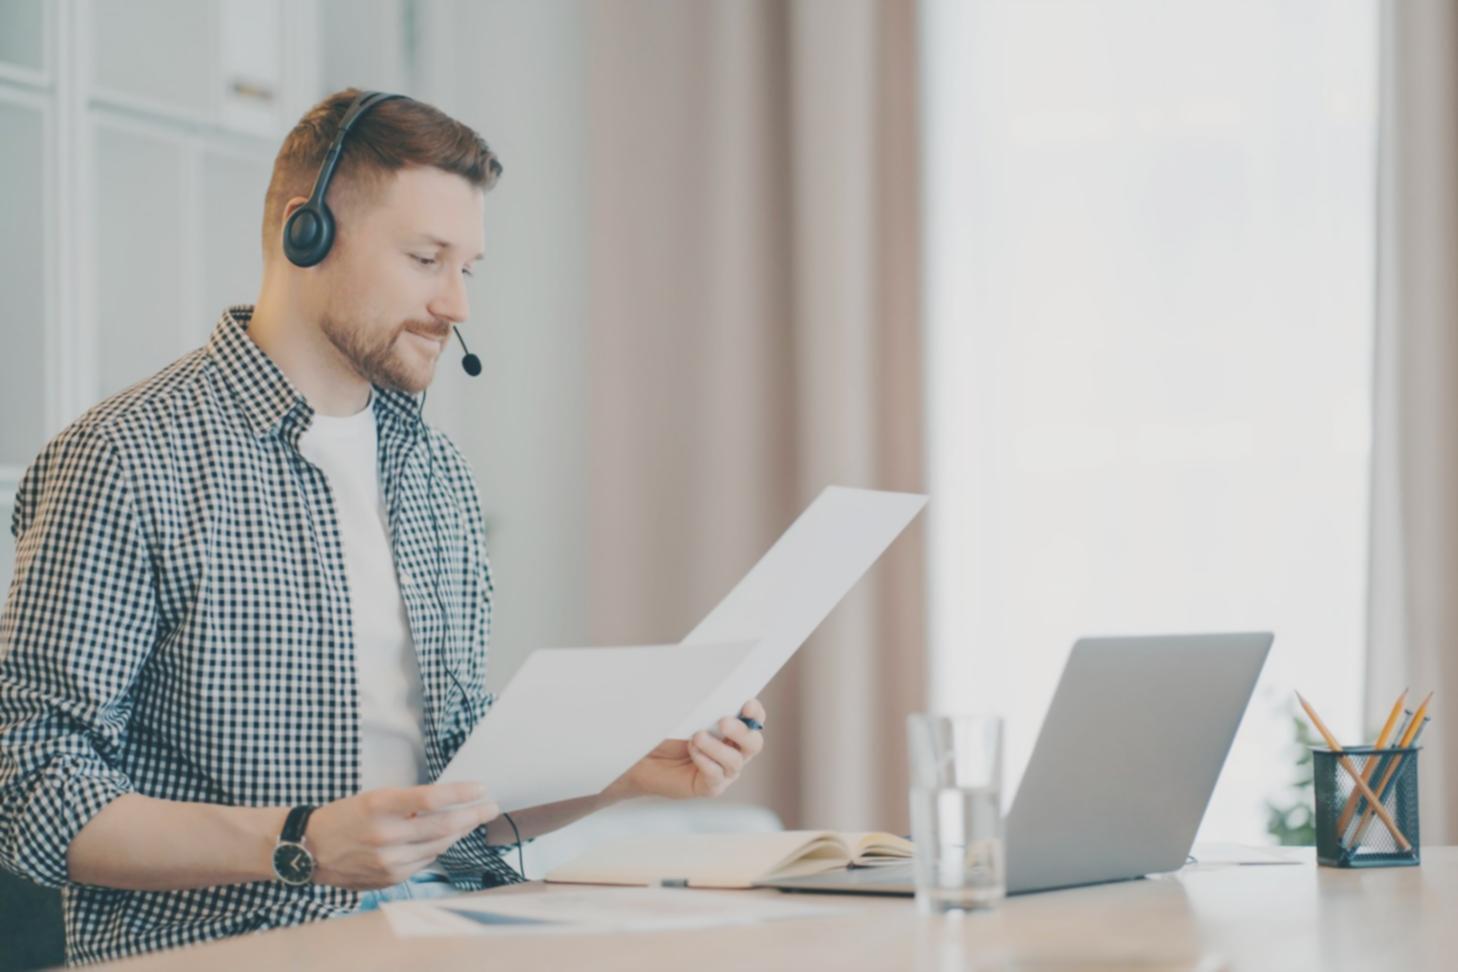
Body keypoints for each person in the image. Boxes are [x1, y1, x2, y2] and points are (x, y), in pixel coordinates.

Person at [0, 88, 766, 966]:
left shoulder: (436, 477)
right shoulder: (128, 460)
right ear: (307, 234)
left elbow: (460, 807)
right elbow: (29, 788)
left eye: (467, 268)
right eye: (425, 259)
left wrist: (624, 774)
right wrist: (301, 843)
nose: (457, 305)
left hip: (452, 931)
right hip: (240, 946)